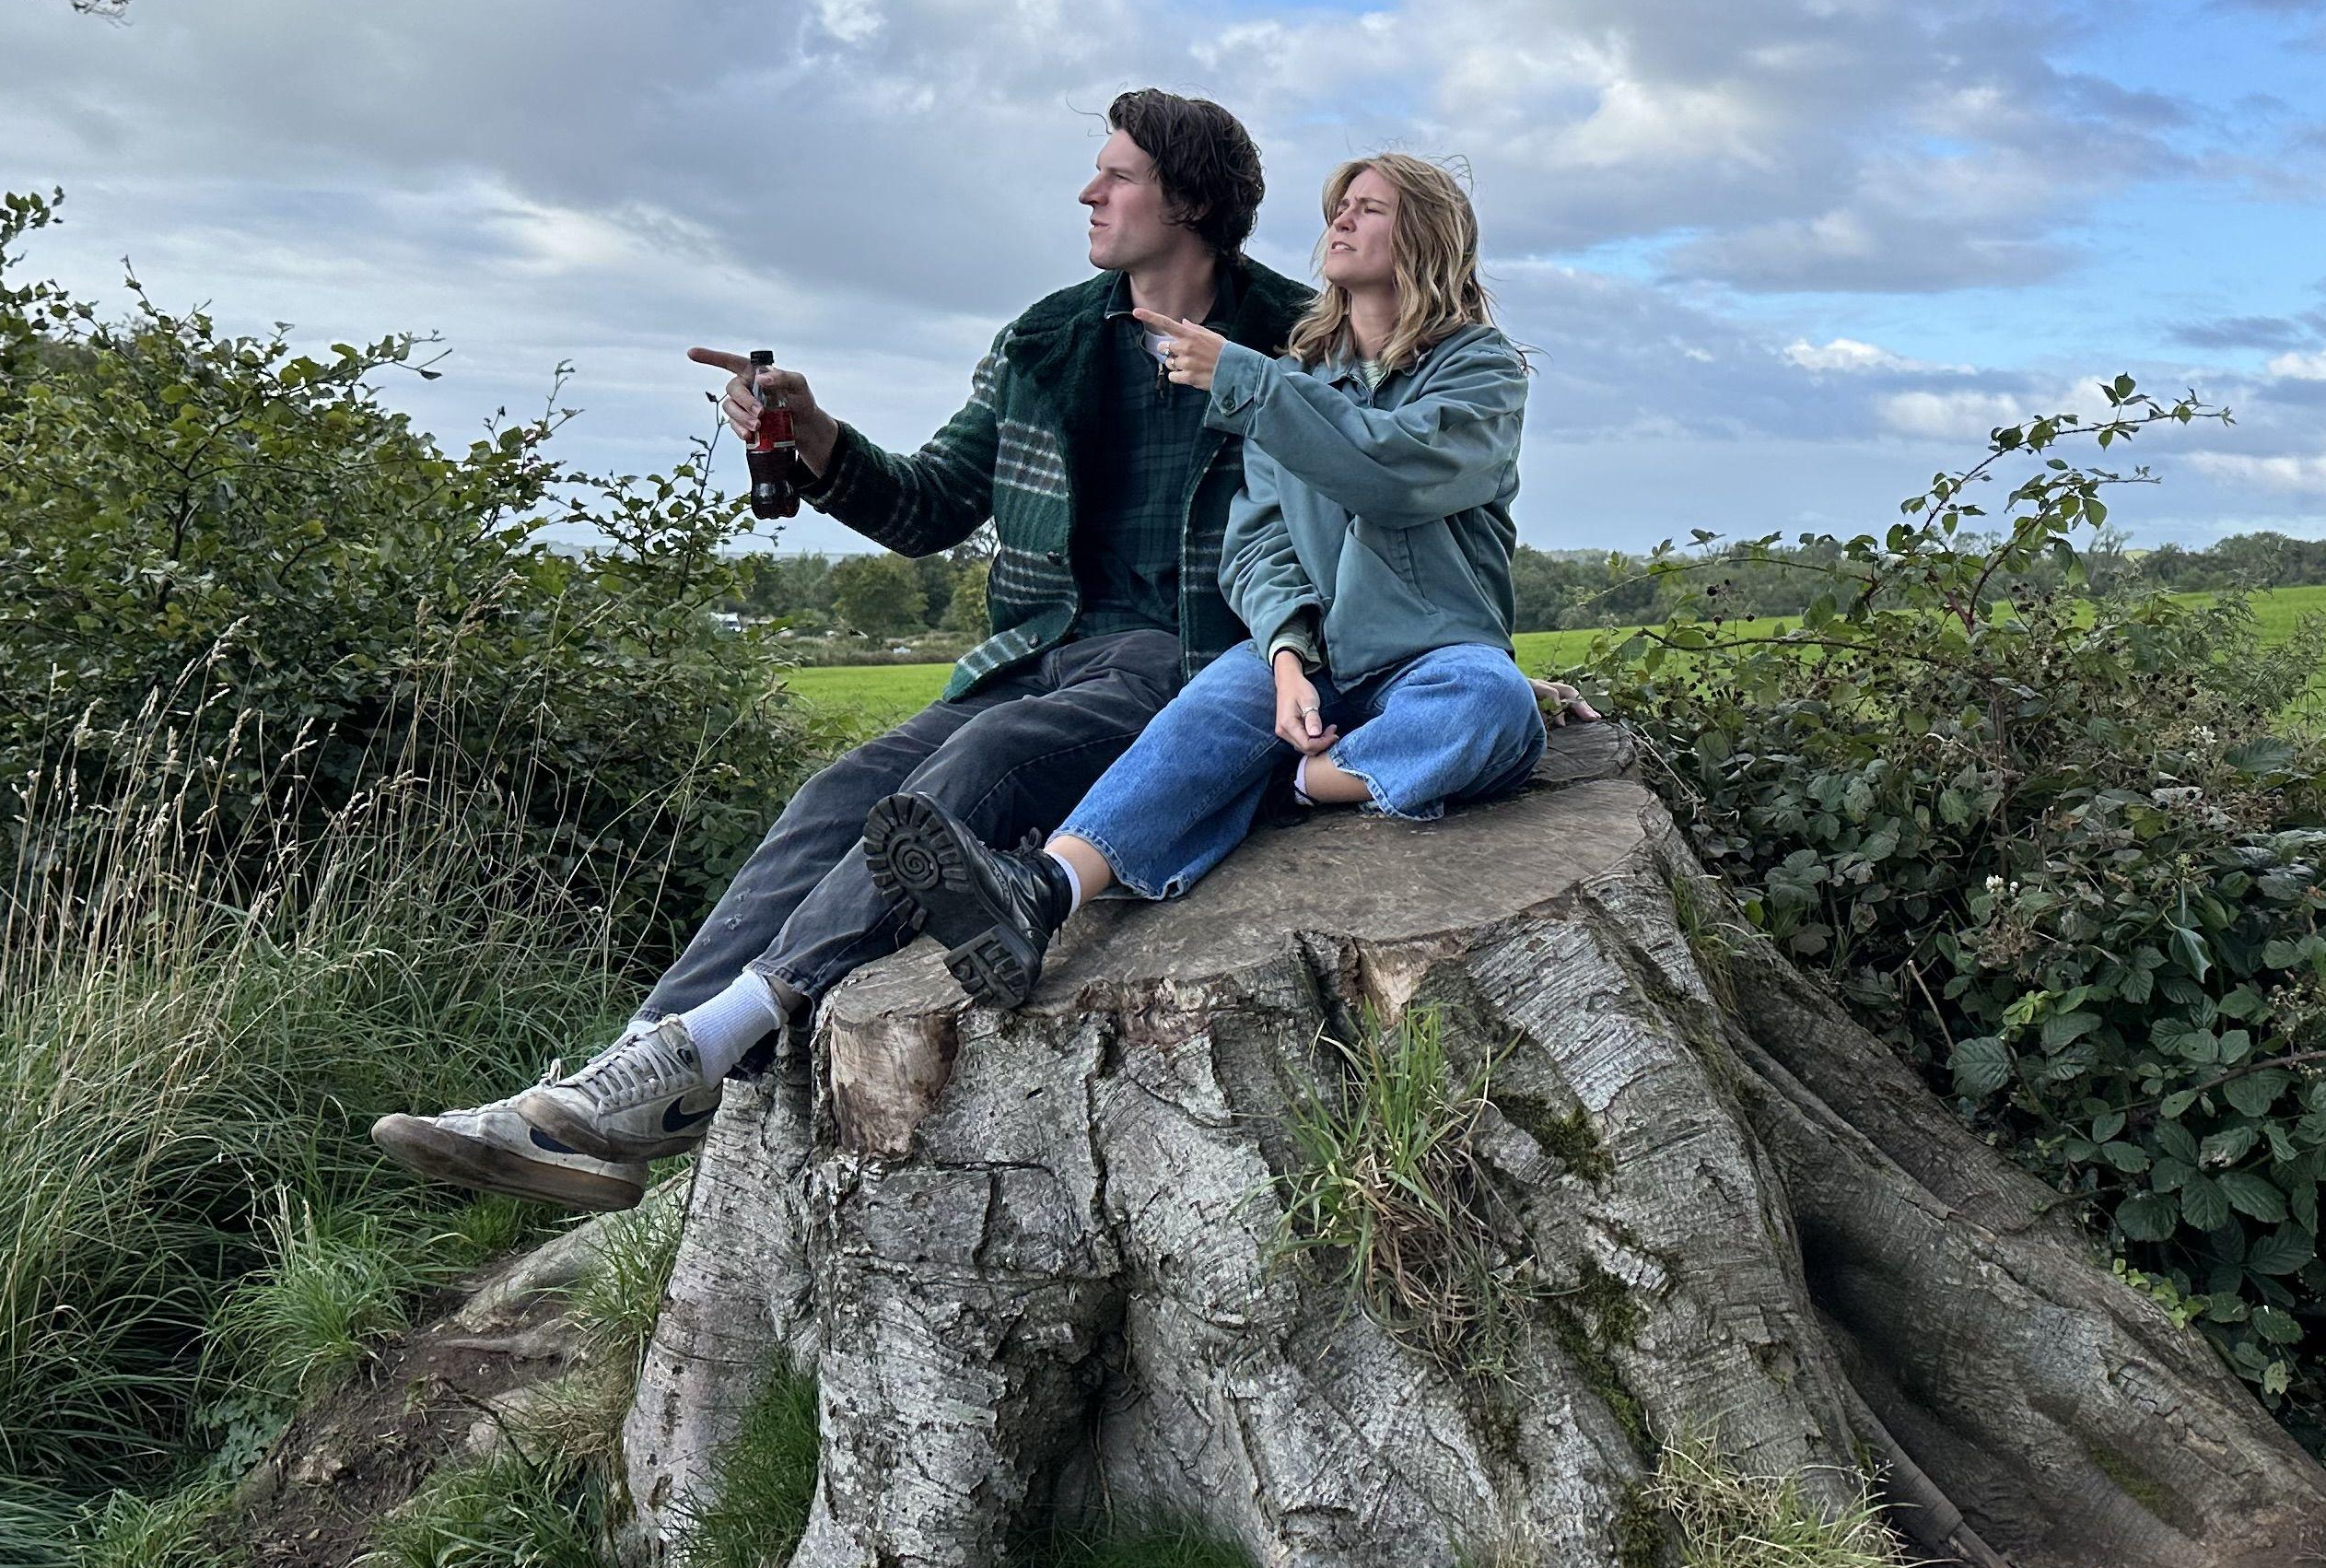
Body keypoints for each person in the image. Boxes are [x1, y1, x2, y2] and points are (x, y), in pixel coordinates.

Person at [372, 89, 1308, 1209]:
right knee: (842, 788)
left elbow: (1382, 498)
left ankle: (713, 1042)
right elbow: (928, 508)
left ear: (1192, 199)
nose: (1086, 192)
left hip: (1199, 662)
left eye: (1116, 176)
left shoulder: (1299, 338)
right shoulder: (1047, 342)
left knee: (982, 762)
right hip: (1042, 649)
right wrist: (812, 436)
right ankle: (606, 1084)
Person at [856, 149, 1545, 1007]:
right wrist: (1288, 656)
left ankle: (1288, 784)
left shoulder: (1476, 370)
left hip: (1433, 652)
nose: (1341, 221)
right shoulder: (1299, 379)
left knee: (1492, 702)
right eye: (1338, 206)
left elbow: (1399, 475)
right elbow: (1259, 547)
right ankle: (1039, 893)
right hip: (1317, 659)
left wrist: (1250, 383)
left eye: (1370, 208)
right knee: (1210, 706)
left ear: (1430, 237)